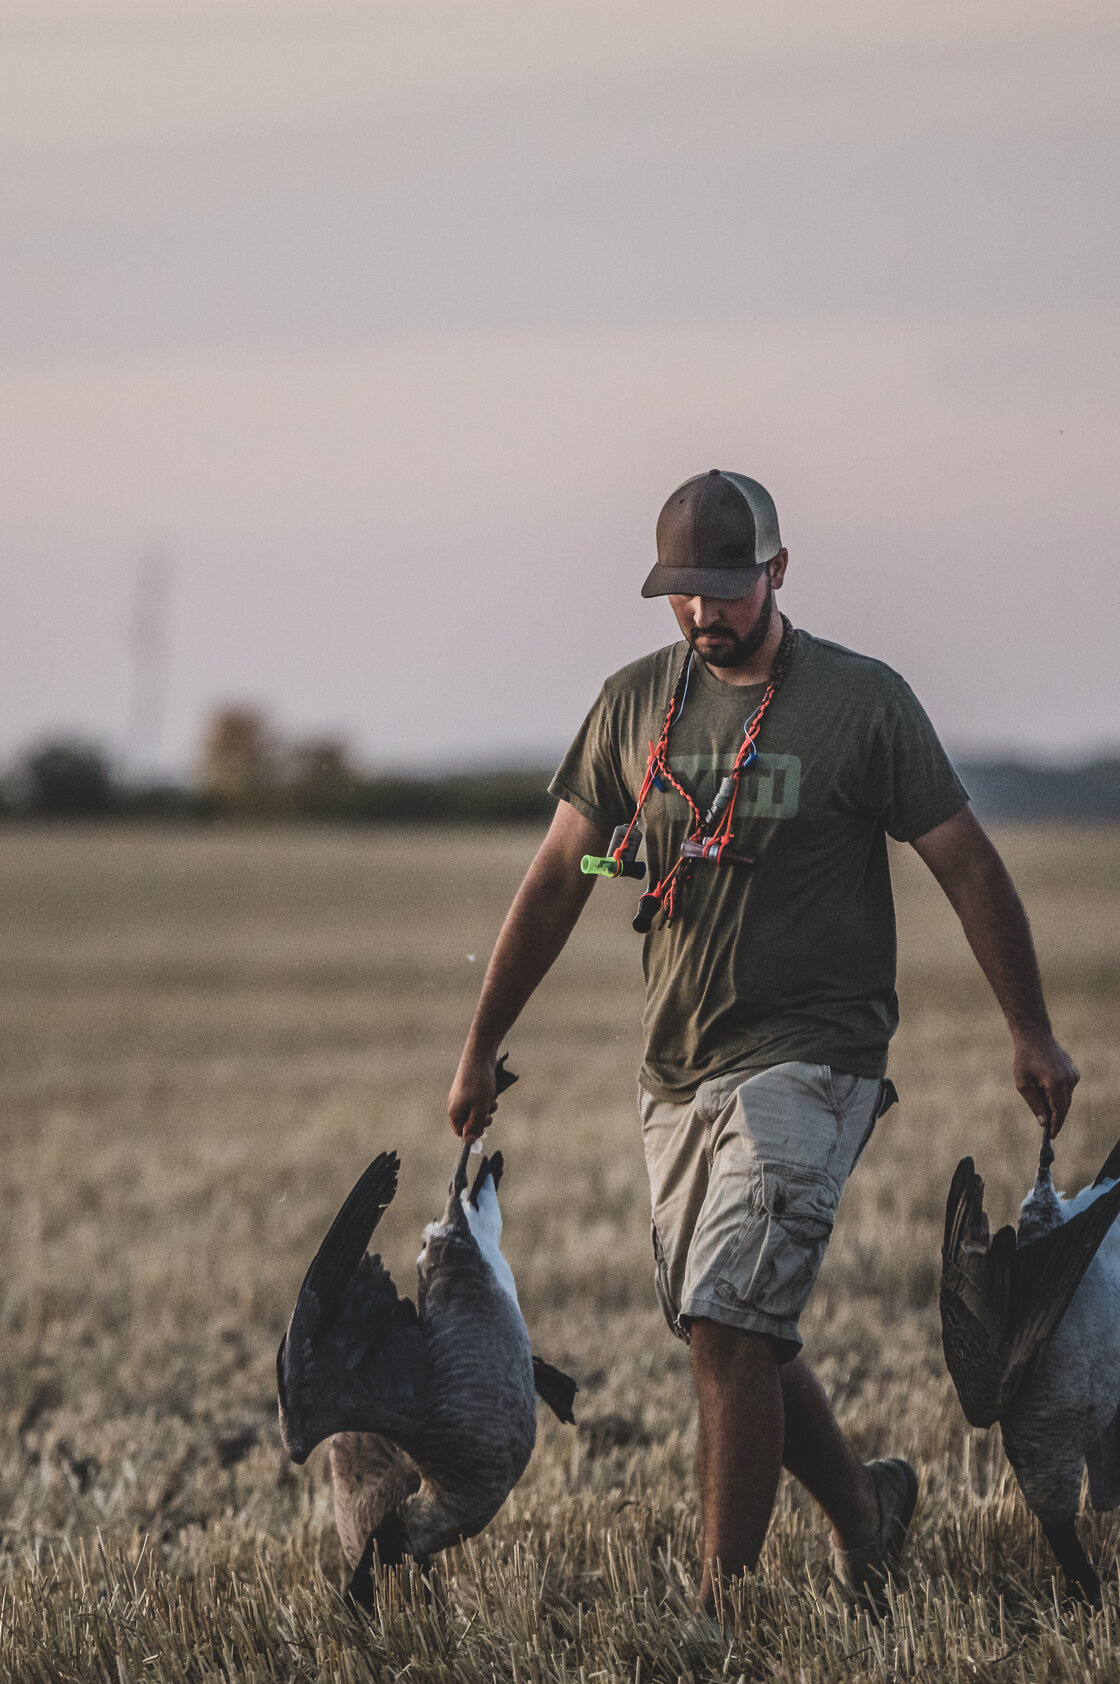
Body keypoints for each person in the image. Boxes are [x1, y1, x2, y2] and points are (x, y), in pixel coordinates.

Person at [446, 469, 1079, 1611]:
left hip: (816, 1055)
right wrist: (480, 1041)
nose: (703, 613)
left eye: (725, 589)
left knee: (732, 1315)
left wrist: (1028, 1028)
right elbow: (556, 876)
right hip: (677, 1068)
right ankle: (866, 1509)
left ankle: (717, 1616)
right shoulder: (633, 705)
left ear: (777, 572)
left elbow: (967, 862)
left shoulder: (860, 704)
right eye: (681, 593)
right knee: (726, 1328)